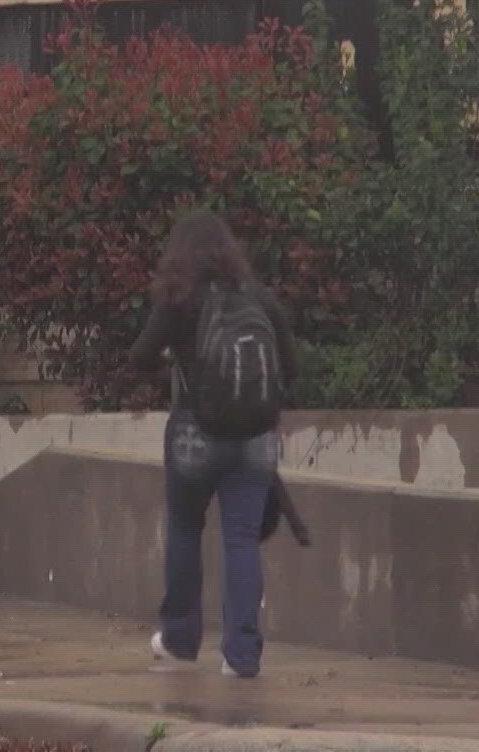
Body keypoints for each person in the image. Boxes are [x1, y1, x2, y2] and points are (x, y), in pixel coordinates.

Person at [128, 210, 299, 678]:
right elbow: (292, 368)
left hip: (194, 436)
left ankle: (180, 639)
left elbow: (138, 357)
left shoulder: (178, 299)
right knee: (241, 538)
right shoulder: (260, 299)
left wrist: (180, 369)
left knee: (185, 529)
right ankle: (241, 656)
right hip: (255, 439)